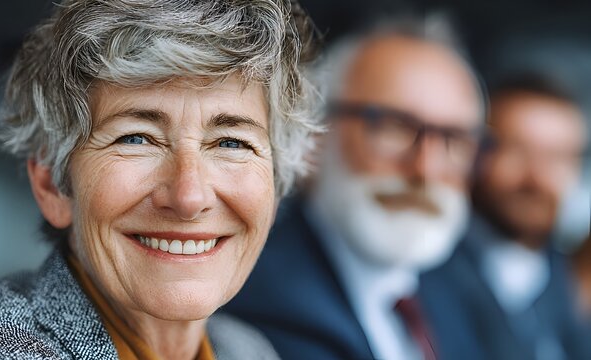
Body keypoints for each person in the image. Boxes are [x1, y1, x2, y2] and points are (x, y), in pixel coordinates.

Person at [0, 0, 320, 359]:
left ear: (276, 186)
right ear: (51, 184)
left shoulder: (245, 349)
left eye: (231, 143)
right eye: (136, 138)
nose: (188, 197)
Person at [224, 16, 485, 360]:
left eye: (454, 139)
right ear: (314, 132)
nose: (426, 168)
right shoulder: (256, 299)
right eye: (393, 127)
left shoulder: (459, 289)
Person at [420, 74, 590, 359]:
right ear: (473, 152)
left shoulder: (567, 282)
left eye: (558, 157)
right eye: (517, 150)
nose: (536, 178)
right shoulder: (423, 268)